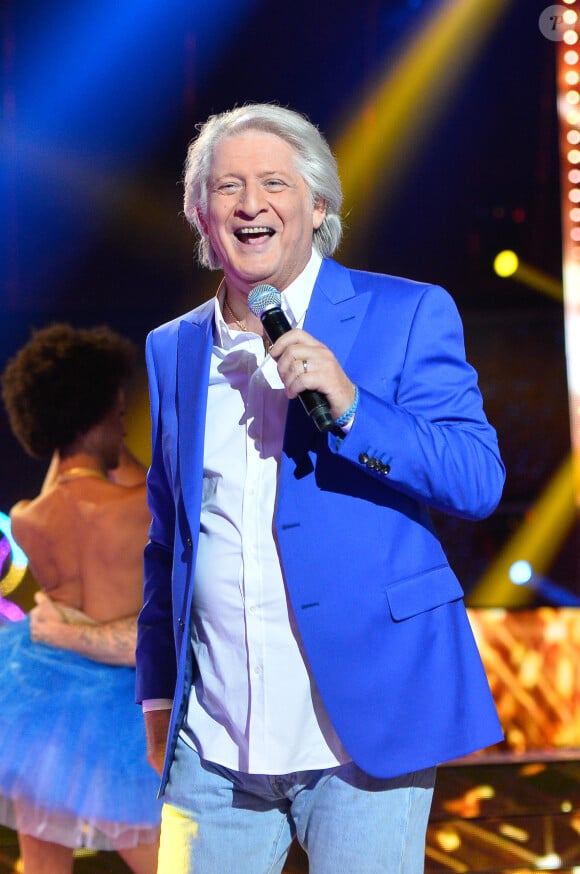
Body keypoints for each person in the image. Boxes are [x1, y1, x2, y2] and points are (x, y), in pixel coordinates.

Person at [136, 103, 506, 874]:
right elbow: (167, 537)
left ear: (318, 207)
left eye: (274, 183)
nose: (249, 204)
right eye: (227, 187)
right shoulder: (171, 347)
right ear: (202, 216)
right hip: (213, 740)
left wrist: (353, 408)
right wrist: (156, 693)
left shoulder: (405, 312)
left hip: (363, 730)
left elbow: (476, 479)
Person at [0, 323, 161, 874]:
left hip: (38, 693)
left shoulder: (27, 518)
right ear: (95, 418)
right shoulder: (143, 503)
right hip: (121, 707)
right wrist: (111, 440)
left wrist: (70, 431)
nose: (122, 426)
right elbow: (140, 473)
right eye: (117, 415)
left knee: (42, 864)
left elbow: (60, 480)